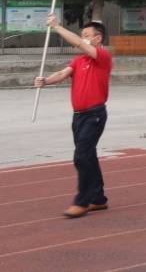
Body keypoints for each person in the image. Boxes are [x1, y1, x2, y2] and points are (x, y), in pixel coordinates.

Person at [33, 15, 113, 218]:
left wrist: (57, 27)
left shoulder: (102, 57)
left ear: (98, 39)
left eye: (87, 35)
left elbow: (77, 43)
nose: (82, 38)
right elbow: (62, 73)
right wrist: (45, 81)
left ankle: (82, 201)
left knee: (82, 156)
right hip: (78, 116)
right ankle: (98, 198)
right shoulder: (78, 60)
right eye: (82, 35)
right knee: (88, 156)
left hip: (94, 114)